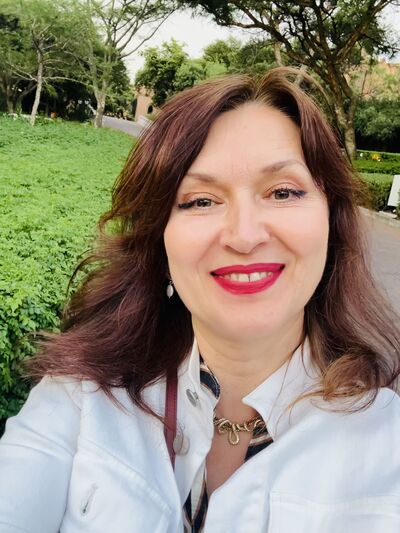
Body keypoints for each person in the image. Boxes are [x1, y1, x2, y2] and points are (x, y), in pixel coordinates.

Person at [0, 67, 399, 533]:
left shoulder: (386, 445)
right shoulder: (81, 399)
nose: (244, 236)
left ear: (331, 223)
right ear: (159, 241)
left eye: (283, 192)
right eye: (200, 201)